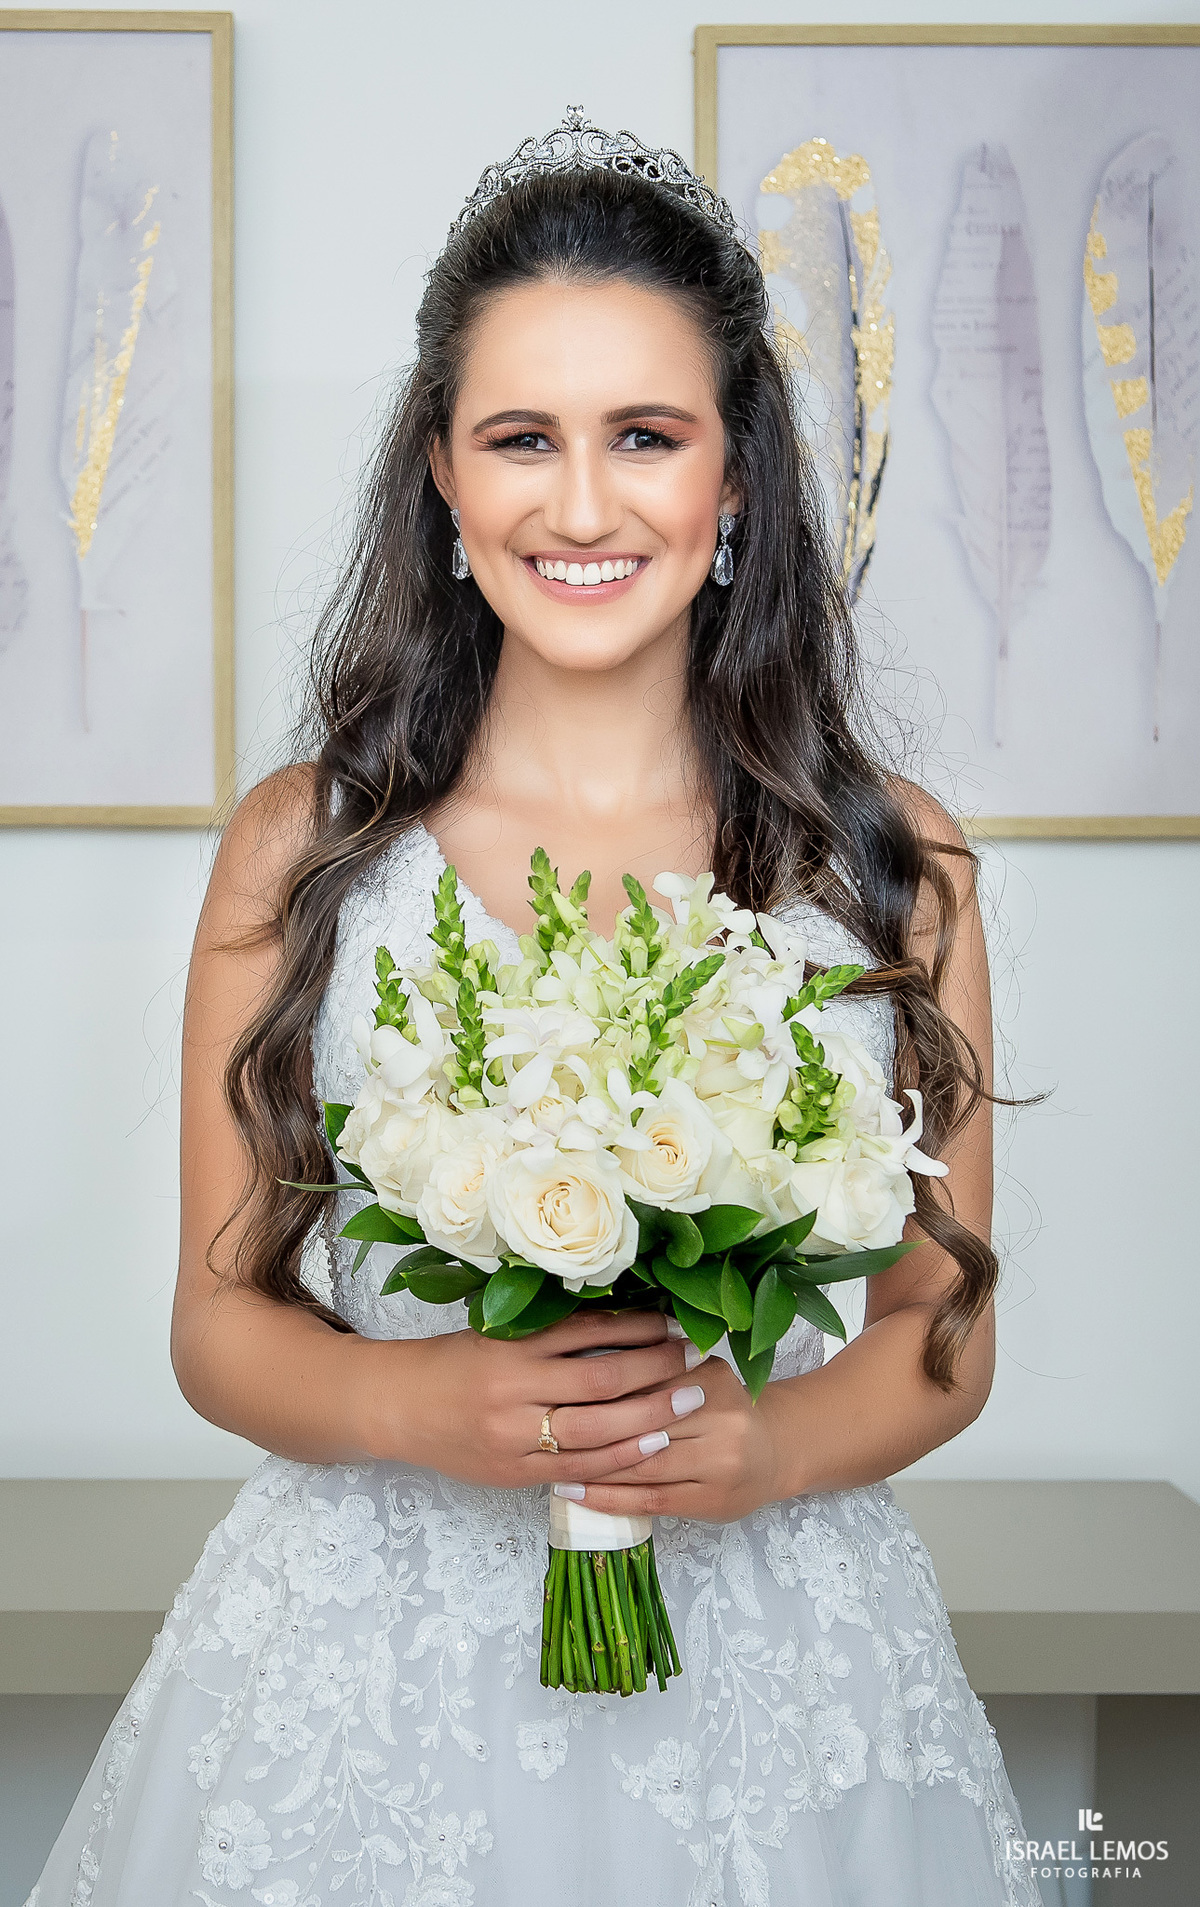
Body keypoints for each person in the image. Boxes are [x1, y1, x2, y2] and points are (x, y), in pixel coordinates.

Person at [29, 114, 1042, 1907]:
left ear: (738, 483)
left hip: (782, 1662)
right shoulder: (305, 845)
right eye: (522, 439)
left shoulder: (893, 862)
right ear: (442, 473)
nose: (583, 505)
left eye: (645, 437)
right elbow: (219, 1324)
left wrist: (766, 1446)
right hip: (367, 1661)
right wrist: (429, 1409)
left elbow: (940, 1334)